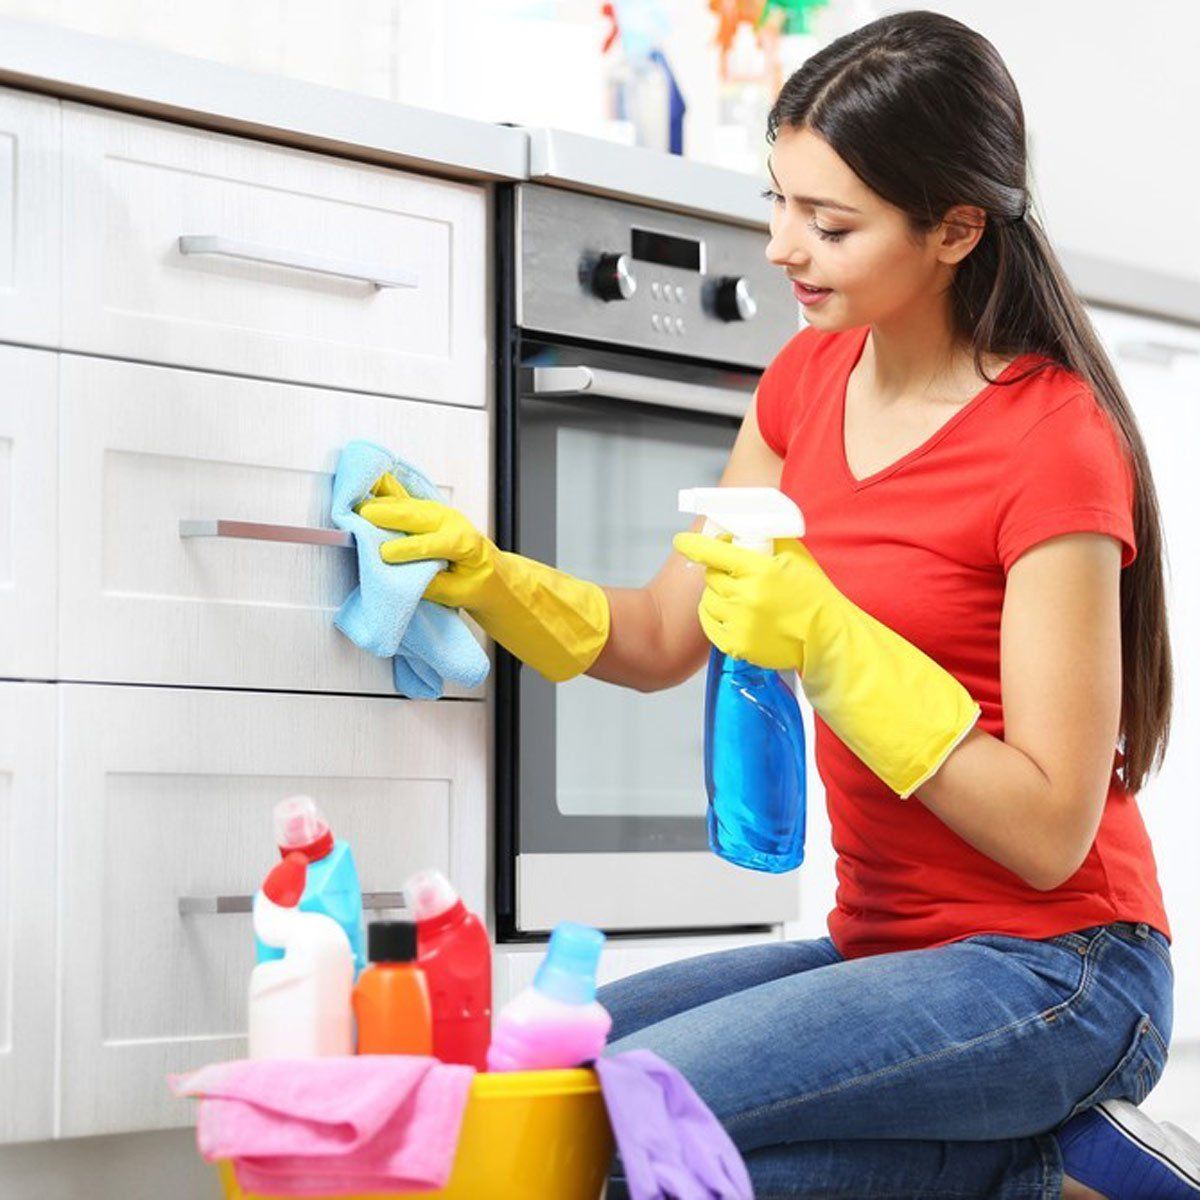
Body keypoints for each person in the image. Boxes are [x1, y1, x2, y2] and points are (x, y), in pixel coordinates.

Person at [356, 10, 1200, 1197]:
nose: (781, 248)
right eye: (780, 202)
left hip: (1066, 970)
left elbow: (1052, 827)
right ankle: (1041, 1172)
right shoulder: (806, 381)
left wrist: (833, 643)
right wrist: (481, 571)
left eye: (830, 224)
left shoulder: (1052, 439)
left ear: (957, 228)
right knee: (527, 1082)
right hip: (886, 949)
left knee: (628, 1126)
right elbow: (663, 636)